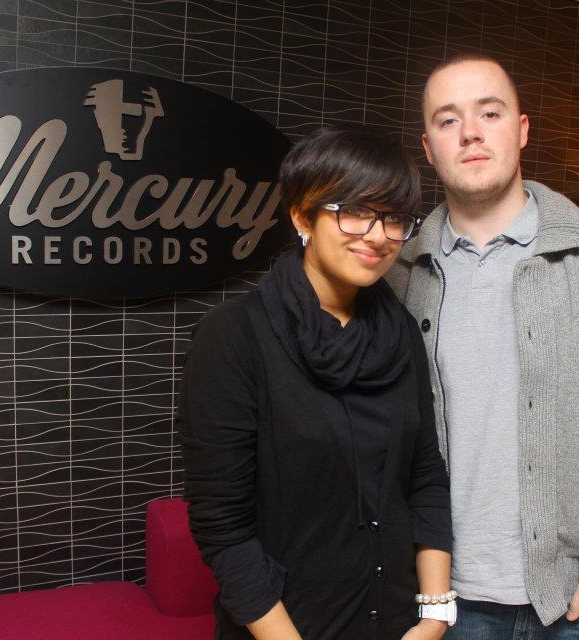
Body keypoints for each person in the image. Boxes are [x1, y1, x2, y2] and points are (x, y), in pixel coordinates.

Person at [386, 54, 579, 639]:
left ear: (521, 129)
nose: (470, 132)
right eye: (448, 120)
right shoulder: (398, 270)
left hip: (573, 599)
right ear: (428, 148)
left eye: (490, 113)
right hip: (441, 597)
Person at [178, 125, 454, 640]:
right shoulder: (235, 336)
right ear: (302, 216)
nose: (377, 235)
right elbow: (223, 528)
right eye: (355, 210)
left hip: (399, 625)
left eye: (394, 218)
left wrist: (436, 615)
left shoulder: (400, 332)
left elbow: (425, 476)